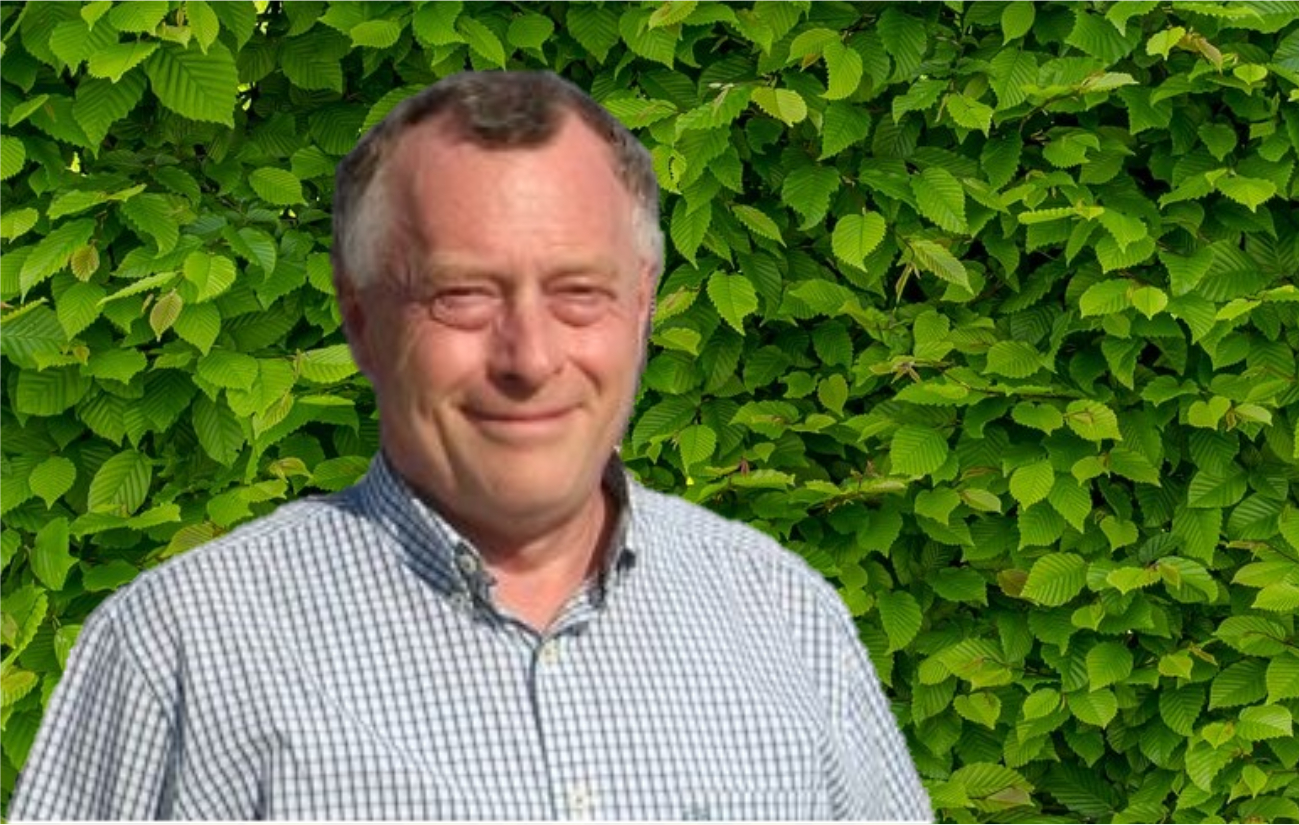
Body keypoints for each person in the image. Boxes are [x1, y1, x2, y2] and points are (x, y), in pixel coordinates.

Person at [10, 71, 931, 821]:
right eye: (461, 296)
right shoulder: (177, 650)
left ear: (643, 305)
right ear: (360, 316)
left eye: (579, 293)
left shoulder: (786, 618)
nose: (529, 357)